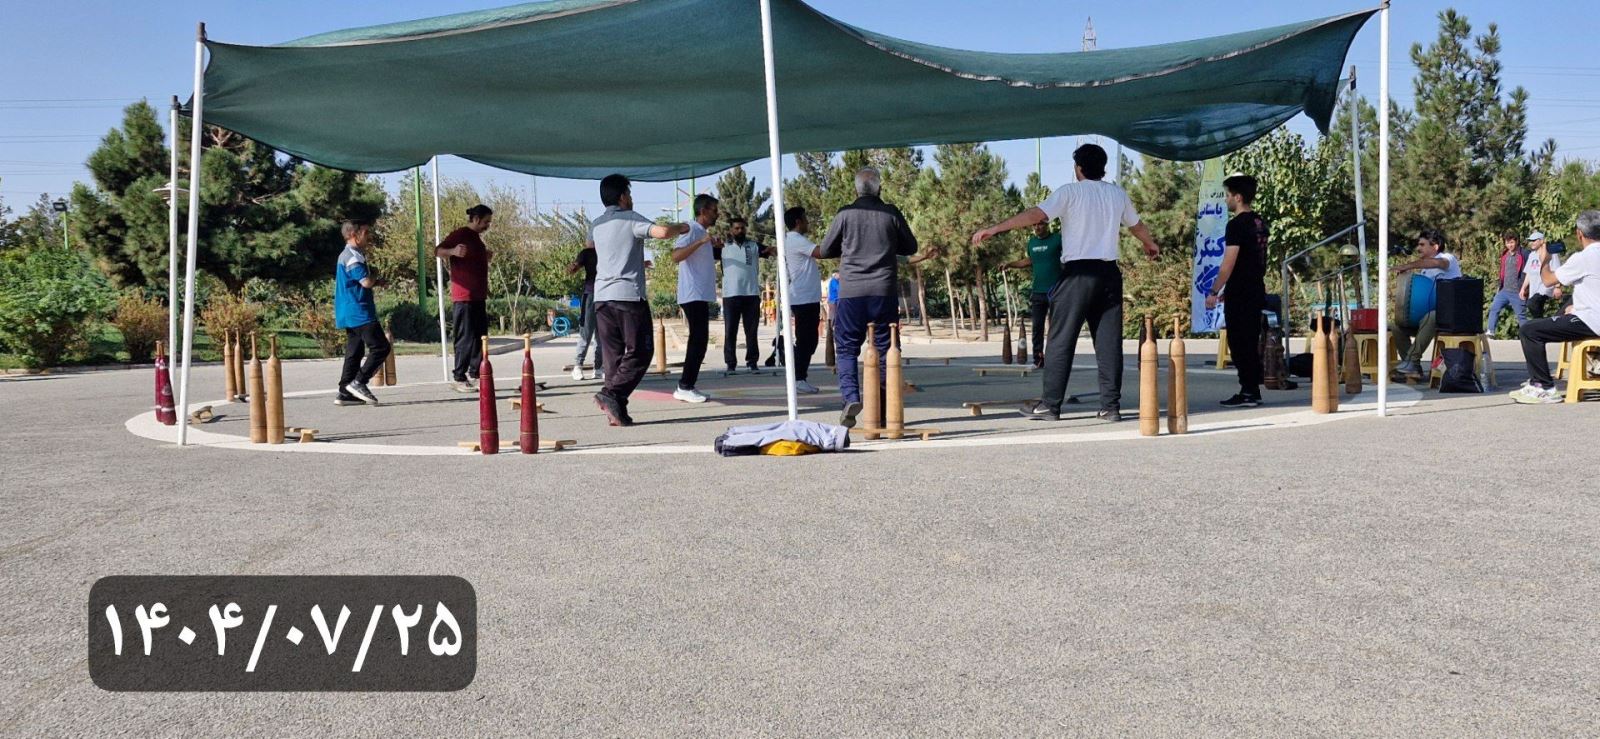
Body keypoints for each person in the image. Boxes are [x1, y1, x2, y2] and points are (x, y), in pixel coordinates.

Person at [971, 144, 1161, 422]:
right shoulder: (1117, 194)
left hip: (1078, 274)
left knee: (1060, 340)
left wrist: (996, 228)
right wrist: (1149, 244)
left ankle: (1050, 405)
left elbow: (1036, 215)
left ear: (1078, 169)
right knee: (1109, 343)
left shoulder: (1070, 192)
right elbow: (1137, 225)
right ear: (1103, 168)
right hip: (1109, 274)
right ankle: (1110, 407)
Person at [818, 167, 923, 427]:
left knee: (847, 348)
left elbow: (826, 249)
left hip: (852, 292)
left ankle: (851, 398)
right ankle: (885, 410)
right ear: (880, 188)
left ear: (856, 190)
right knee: (886, 348)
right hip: (883, 291)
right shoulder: (891, 213)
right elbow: (911, 246)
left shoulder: (845, 214)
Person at [588, 174, 690, 426]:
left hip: (602, 299)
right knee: (641, 350)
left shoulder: (596, 224)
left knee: (613, 356)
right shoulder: (631, 218)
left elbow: (592, 247)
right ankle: (611, 394)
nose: (631, 199)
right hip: (628, 297)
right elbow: (662, 232)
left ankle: (616, 410)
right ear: (623, 196)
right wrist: (681, 227)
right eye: (630, 194)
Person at [1509, 211, 1600, 404]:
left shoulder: (1584, 257)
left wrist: (1545, 261)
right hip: (1591, 317)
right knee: (1565, 310)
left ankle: (1543, 387)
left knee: (1529, 330)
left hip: (1592, 322)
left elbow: (1549, 280)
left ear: (1579, 234)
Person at [1205, 174, 1270, 407]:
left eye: (1228, 195)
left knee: (1239, 341)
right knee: (1250, 339)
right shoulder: (1260, 222)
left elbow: (1228, 263)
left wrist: (1214, 290)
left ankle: (1249, 391)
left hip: (1241, 291)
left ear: (1238, 197)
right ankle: (1252, 389)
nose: (1226, 200)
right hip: (1255, 287)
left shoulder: (1236, 225)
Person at [1389, 229, 1462, 380]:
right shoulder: (1424, 270)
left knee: (1432, 316)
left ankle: (1411, 361)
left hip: (1448, 317)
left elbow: (1438, 263)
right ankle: (1413, 367)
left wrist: (1408, 266)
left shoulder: (1447, 258)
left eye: (1422, 245)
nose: (1418, 248)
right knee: (1396, 325)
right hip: (1425, 318)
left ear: (1435, 246)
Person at [435, 204, 493, 393]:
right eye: (485, 222)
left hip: (478, 296)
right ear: (476, 219)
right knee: (465, 337)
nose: (487, 225)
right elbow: (438, 251)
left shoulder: (476, 239)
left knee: (480, 337)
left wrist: (484, 256)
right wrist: (452, 251)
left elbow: (472, 258)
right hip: (464, 297)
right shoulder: (460, 234)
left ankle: (476, 374)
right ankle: (459, 377)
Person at [333, 219, 391, 406]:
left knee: (355, 351)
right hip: (359, 310)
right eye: (366, 233)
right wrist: (375, 276)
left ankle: (344, 392)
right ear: (353, 234)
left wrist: (377, 282)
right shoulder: (352, 256)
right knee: (381, 347)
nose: (369, 236)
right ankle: (359, 382)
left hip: (348, 310)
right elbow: (365, 282)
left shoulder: (347, 254)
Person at [670, 194, 722, 403]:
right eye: (714, 210)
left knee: (699, 340)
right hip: (692, 294)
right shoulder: (692, 229)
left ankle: (687, 385)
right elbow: (676, 256)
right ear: (703, 211)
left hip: (700, 294)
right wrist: (700, 242)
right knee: (698, 340)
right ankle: (684, 386)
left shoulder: (703, 233)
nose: (717, 214)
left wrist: (714, 247)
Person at [1003, 220, 1062, 368]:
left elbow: (1068, 258)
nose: (1037, 227)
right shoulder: (1032, 243)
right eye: (1034, 225)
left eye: (1040, 224)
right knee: (1037, 327)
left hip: (1056, 290)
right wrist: (1010, 264)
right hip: (1037, 291)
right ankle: (1038, 359)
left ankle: (1056, 358)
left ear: (1047, 224)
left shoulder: (1058, 239)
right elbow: (1029, 260)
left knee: (1056, 327)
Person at [721, 217, 773, 374]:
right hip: (730, 295)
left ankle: (752, 362)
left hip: (751, 294)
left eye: (742, 228)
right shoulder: (723, 247)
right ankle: (730, 364)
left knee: (751, 331)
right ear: (731, 230)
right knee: (730, 331)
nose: (740, 231)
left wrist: (778, 249)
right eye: (736, 228)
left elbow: (771, 250)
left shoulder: (754, 246)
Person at [783, 206, 824, 395]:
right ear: (798, 222)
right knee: (806, 340)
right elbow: (820, 252)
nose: (808, 222)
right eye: (805, 219)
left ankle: (798, 375)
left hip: (806, 297)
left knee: (809, 340)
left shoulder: (793, 239)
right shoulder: (795, 239)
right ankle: (798, 378)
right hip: (803, 298)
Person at [567, 244, 603, 381]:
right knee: (586, 333)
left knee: (602, 335)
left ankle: (598, 368)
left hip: (606, 295)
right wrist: (573, 267)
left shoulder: (608, 249)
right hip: (590, 295)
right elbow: (576, 266)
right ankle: (578, 366)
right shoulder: (587, 252)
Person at [1486, 231, 1530, 336]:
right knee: (1494, 308)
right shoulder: (1505, 254)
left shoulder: (1524, 254)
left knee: (1521, 315)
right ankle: (1490, 331)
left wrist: (1525, 288)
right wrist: (1499, 286)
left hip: (1517, 291)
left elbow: (1530, 271)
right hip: (1504, 290)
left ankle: (1527, 336)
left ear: (1517, 241)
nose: (1509, 245)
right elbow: (1502, 271)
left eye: (1511, 242)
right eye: (1507, 243)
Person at [1520, 231, 1564, 319]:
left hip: (1545, 287)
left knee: (1532, 303)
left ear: (1541, 241)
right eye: (1530, 241)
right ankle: (1541, 325)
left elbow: (1556, 270)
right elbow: (1529, 273)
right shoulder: (1532, 255)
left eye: (1534, 240)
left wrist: (1557, 287)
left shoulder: (1551, 253)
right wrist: (1523, 288)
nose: (1531, 243)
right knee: (1536, 311)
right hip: (1534, 288)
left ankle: (1540, 323)